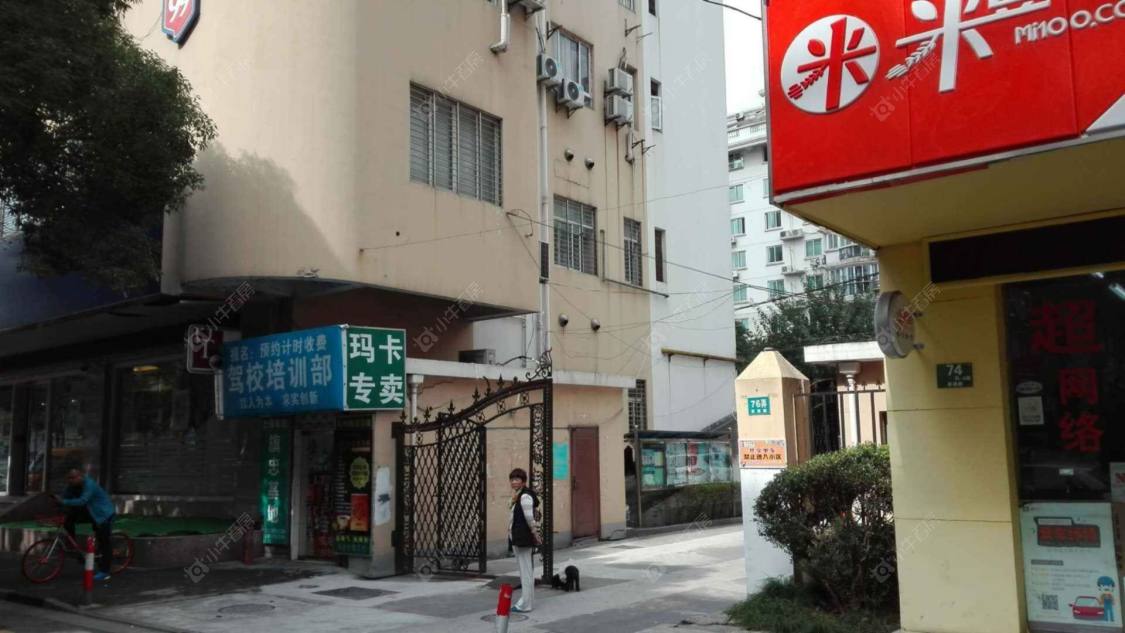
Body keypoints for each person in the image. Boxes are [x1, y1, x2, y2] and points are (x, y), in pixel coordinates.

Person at [57, 469, 116, 581]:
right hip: (90, 513)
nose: (70, 481)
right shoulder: (72, 486)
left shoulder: (90, 485)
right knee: (68, 522)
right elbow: (65, 496)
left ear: (80, 476)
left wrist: (64, 502)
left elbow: (82, 501)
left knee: (104, 542)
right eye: (69, 479)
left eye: (73, 478)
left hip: (103, 515)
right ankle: (76, 549)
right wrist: (58, 501)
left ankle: (105, 571)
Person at [508, 468, 541, 613]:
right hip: (519, 537)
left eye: (517, 479)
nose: (514, 482)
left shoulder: (525, 496)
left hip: (523, 538)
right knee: (525, 571)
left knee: (526, 572)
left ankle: (525, 604)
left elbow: (529, 518)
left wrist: (535, 534)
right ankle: (528, 602)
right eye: (512, 479)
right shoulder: (518, 495)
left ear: (523, 481)